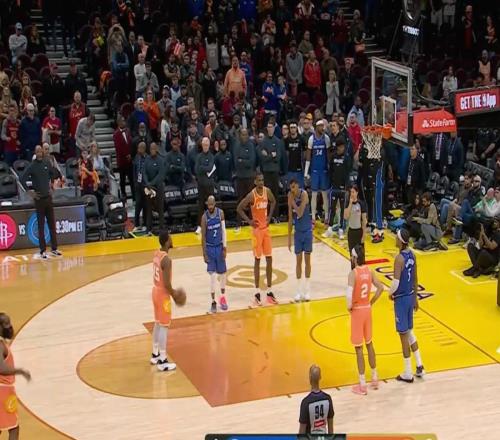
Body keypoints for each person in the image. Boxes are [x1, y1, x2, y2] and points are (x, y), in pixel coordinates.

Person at [347, 244, 384, 395]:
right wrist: (371, 301)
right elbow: (381, 288)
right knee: (369, 343)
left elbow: (348, 296)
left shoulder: (353, 273)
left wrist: (349, 307)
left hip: (357, 311)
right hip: (367, 309)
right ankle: (375, 378)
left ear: (355, 258)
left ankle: (362, 384)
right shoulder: (370, 271)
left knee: (358, 348)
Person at [237, 173, 278, 306]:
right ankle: (257, 293)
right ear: (255, 182)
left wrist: (269, 216)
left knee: (269, 258)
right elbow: (239, 208)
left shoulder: (267, 192)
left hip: (266, 230)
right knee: (257, 260)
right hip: (257, 232)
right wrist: (249, 221)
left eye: (262, 180)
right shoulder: (252, 195)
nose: (261, 182)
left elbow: (274, 201)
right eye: (259, 180)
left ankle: (269, 292)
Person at [390, 229, 425, 383]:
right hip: (410, 296)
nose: (395, 239)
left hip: (402, 299)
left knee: (403, 335)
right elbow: (415, 278)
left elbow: (395, 282)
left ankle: (408, 372)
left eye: (396, 237)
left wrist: (390, 293)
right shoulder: (412, 255)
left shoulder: (399, 259)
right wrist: (415, 297)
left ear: (400, 241)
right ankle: (419, 365)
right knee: (410, 332)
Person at [150, 230, 186, 371]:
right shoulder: (167, 260)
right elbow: (166, 283)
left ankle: (155, 354)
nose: (172, 240)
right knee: (164, 326)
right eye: (170, 238)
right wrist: (174, 294)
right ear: (166, 242)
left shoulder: (156, 254)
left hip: (155, 291)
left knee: (157, 323)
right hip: (162, 294)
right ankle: (163, 360)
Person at [21, 145, 62, 259]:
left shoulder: (46, 162)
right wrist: (30, 192)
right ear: (35, 153)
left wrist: (52, 185)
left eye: (41, 151)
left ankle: (54, 248)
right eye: (38, 151)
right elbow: (22, 179)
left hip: (48, 198)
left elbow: (53, 174)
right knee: (41, 225)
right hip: (39, 199)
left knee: (52, 224)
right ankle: (42, 250)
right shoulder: (32, 166)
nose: (39, 153)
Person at [0, 313, 31, 440]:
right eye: (6, 324)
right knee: (14, 427)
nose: (9, 327)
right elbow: (1, 368)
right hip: (3, 390)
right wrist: (20, 371)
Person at [201, 196, 228, 313]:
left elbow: (224, 231)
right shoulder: (204, 217)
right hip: (210, 248)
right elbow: (203, 237)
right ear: (207, 204)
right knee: (212, 277)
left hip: (219, 246)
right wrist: (204, 253)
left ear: (215, 204)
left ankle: (223, 297)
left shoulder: (220, 213)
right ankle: (213, 302)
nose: (210, 207)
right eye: (209, 205)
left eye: (212, 205)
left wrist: (225, 247)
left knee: (223, 274)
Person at [288, 179, 313, 302]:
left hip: (307, 231)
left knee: (307, 260)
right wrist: (288, 238)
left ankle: (307, 290)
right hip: (297, 233)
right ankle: (298, 291)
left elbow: (300, 212)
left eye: (293, 187)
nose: (292, 190)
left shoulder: (304, 194)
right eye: (291, 188)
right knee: (298, 261)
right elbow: (290, 217)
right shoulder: (291, 197)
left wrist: (292, 202)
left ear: (298, 186)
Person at [305, 120, 331, 224]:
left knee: (325, 194)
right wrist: (306, 172)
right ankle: (313, 217)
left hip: (324, 170)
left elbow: (328, 155)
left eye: (323, 126)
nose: (322, 128)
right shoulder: (311, 139)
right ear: (316, 127)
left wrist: (329, 168)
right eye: (320, 126)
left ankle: (327, 216)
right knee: (314, 194)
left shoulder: (326, 138)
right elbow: (308, 156)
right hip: (315, 170)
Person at [298, 365, 334, 435]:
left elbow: (302, 431)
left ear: (310, 378)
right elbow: (331, 430)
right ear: (320, 377)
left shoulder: (306, 402)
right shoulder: (328, 399)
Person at [195, 137, 216, 234]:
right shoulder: (199, 156)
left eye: (207, 145)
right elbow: (197, 169)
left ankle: (212, 223)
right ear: (202, 145)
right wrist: (205, 168)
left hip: (209, 185)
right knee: (200, 206)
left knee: (211, 204)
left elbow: (210, 168)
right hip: (201, 184)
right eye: (204, 145)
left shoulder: (211, 156)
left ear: (209, 145)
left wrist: (202, 168)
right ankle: (200, 226)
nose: (205, 146)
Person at [144, 143, 165, 233]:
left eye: (153, 148)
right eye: (151, 149)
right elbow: (144, 172)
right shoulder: (147, 160)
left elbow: (160, 175)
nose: (152, 150)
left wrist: (152, 183)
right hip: (149, 188)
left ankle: (161, 228)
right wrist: (147, 183)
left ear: (156, 149)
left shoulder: (160, 160)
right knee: (148, 209)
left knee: (160, 208)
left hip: (158, 187)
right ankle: (149, 228)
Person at [344, 184, 367, 258]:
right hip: (351, 232)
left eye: (353, 192)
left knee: (360, 255)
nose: (352, 194)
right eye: (351, 192)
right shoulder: (347, 204)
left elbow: (364, 221)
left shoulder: (361, 204)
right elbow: (346, 217)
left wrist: (363, 235)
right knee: (352, 255)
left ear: (357, 193)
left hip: (359, 232)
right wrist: (350, 203)